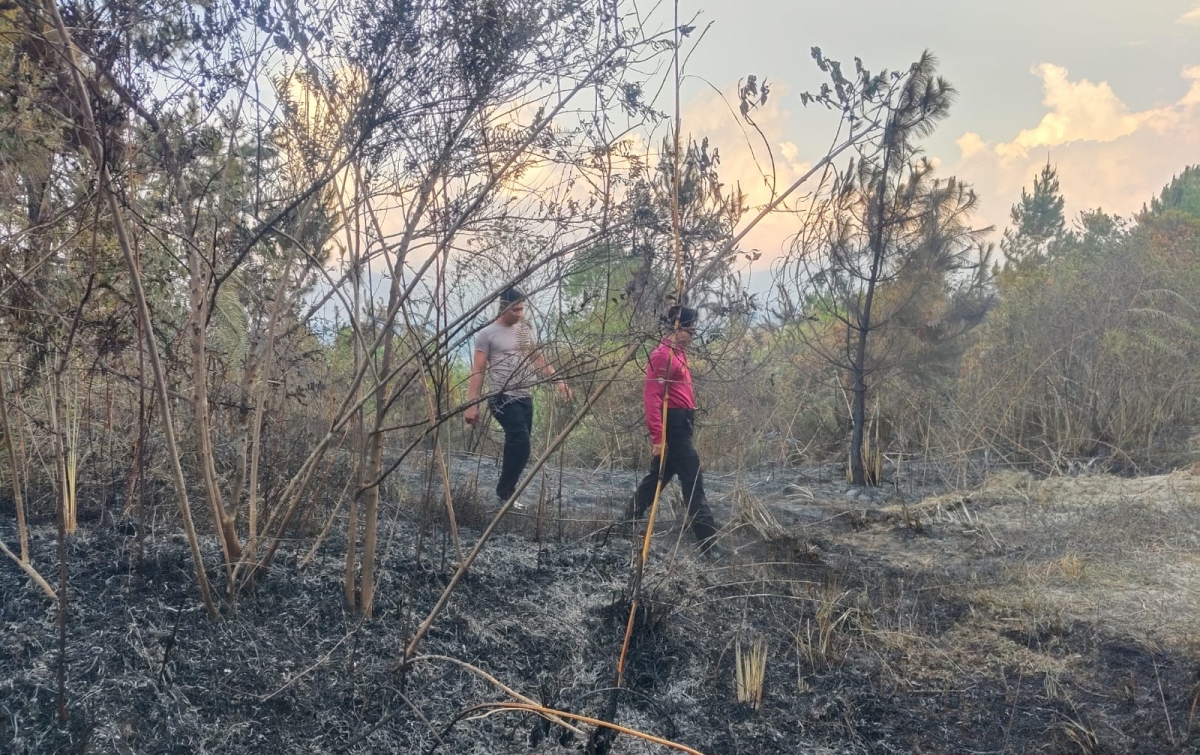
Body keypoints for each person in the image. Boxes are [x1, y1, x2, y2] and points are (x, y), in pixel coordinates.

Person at [627, 305, 723, 556]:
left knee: (654, 481)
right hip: (674, 427)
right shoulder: (662, 355)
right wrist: (658, 438)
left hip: (684, 421)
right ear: (677, 327)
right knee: (693, 480)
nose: (694, 334)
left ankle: (623, 524)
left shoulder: (679, 352)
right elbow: (652, 398)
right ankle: (709, 545)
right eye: (690, 329)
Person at [465, 287, 571, 509]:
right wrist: (471, 405)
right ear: (503, 307)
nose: (520, 313)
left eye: (523, 309)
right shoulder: (487, 334)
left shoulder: (524, 330)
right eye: (516, 309)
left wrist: (558, 381)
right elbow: (478, 370)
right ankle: (504, 493)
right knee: (521, 441)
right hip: (501, 396)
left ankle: (506, 494)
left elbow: (538, 358)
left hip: (524, 395)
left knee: (519, 446)